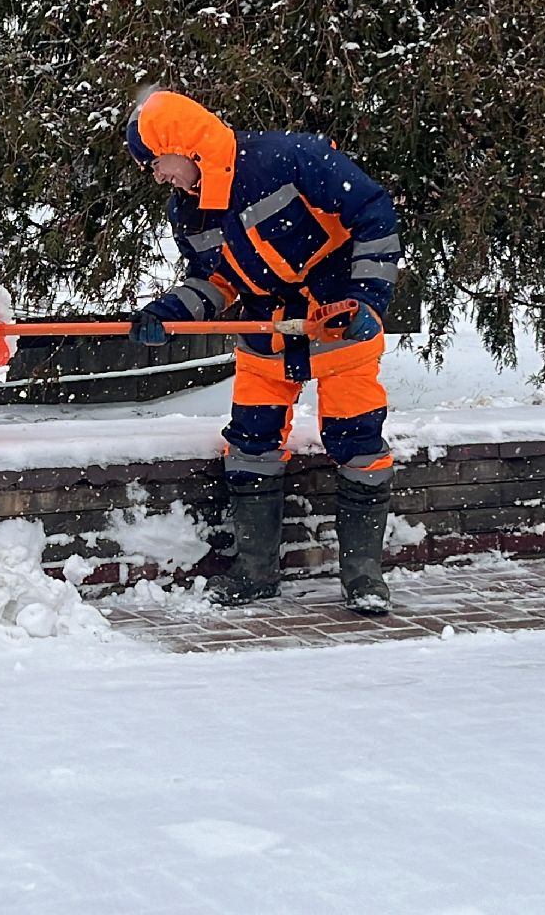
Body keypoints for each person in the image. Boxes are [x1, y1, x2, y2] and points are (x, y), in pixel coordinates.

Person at [124, 90, 401, 615]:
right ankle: (255, 574)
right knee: (250, 443)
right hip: (266, 332)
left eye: (157, 163)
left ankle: (364, 578)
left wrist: (367, 298)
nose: (158, 177)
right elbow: (215, 281)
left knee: (357, 439)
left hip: (336, 318)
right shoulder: (188, 211)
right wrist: (166, 314)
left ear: (184, 145)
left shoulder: (288, 158)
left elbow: (372, 210)